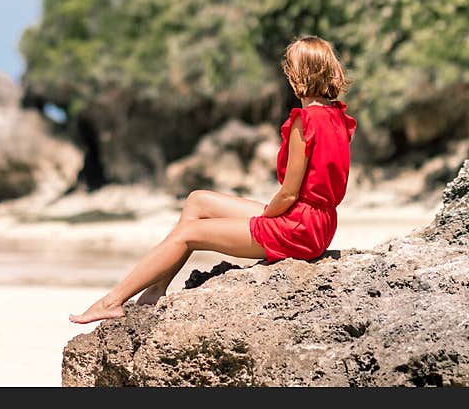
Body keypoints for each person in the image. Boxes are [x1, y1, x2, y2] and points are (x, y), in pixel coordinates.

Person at [69, 35, 357, 324]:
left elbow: (289, 194)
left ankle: (112, 300)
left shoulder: (304, 121)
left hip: (298, 228)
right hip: (317, 221)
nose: (287, 75)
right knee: (198, 201)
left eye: (290, 69)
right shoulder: (337, 117)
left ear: (301, 74)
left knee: (187, 234)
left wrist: (269, 215)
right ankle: (156, 288)